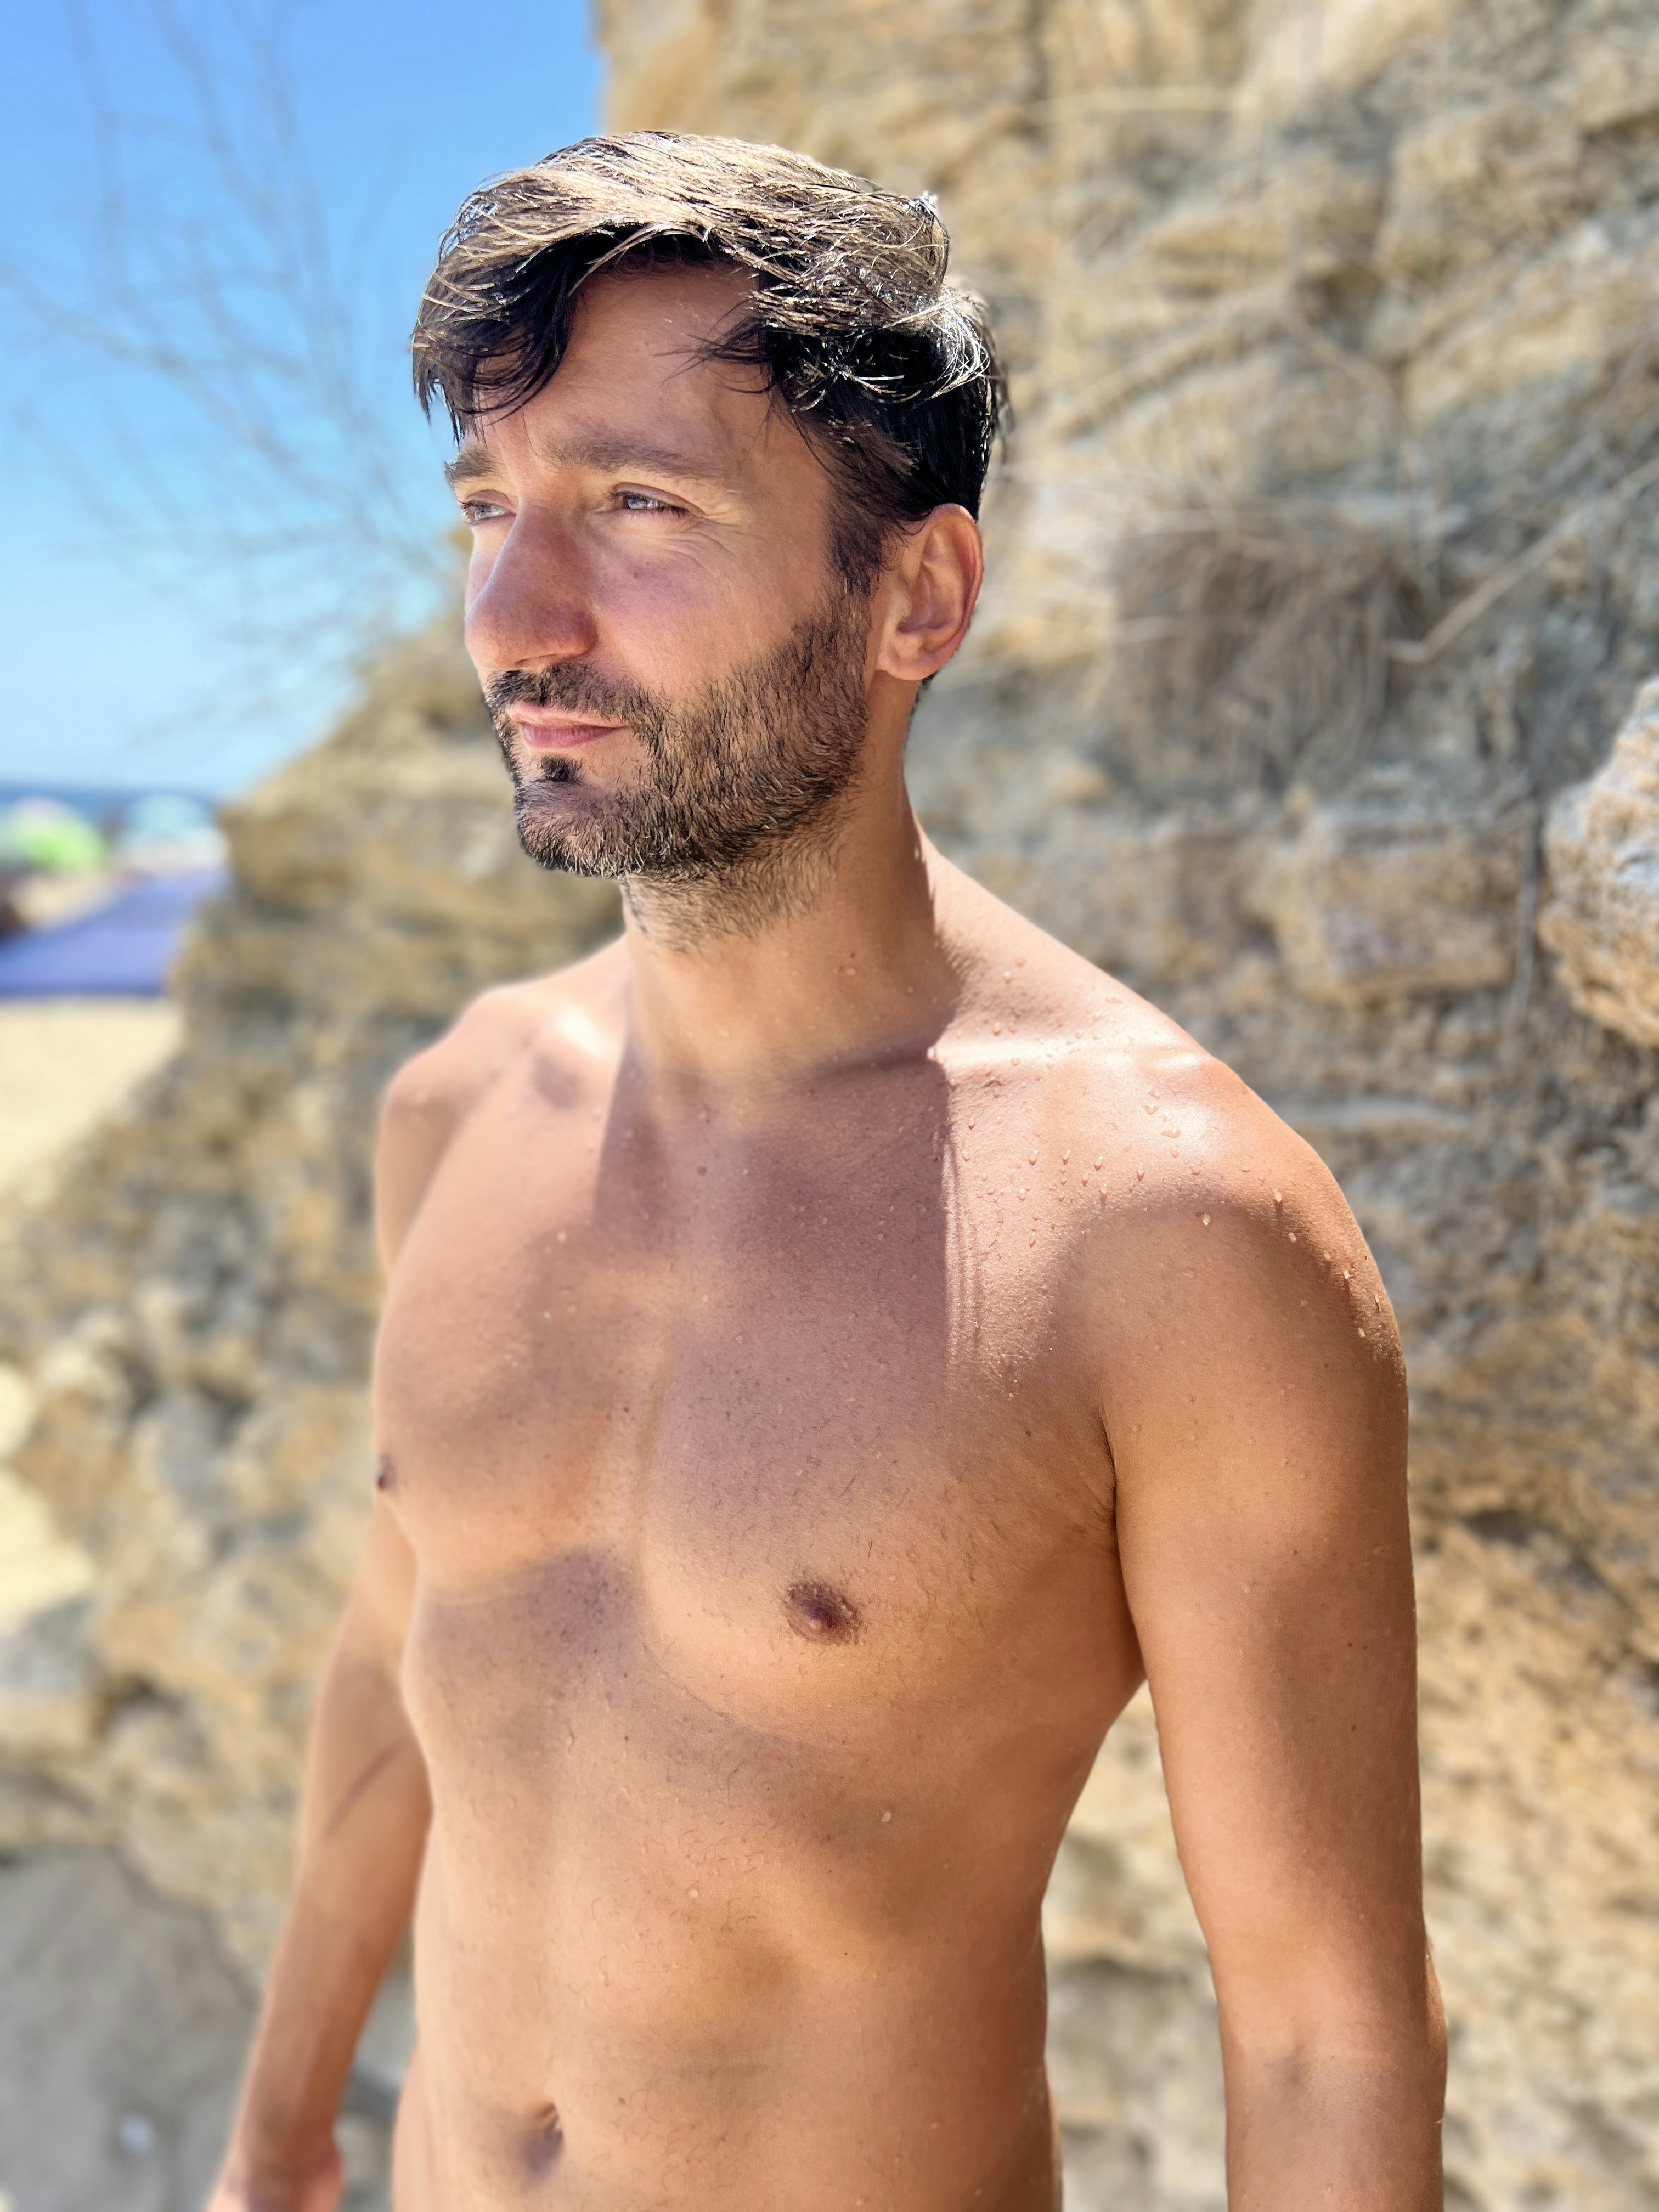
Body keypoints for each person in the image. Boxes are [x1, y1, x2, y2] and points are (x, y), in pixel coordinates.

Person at [209, 133, 1444, 2211]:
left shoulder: (1166, 1233)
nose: (516, 616)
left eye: (641, 505)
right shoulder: (461, 1112)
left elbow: (1328, 2032)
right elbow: (402, 1657)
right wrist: (267, 2142)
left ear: (917, 595)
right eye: (489, 511)